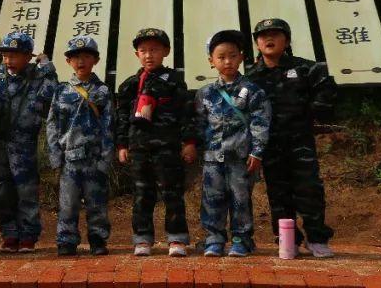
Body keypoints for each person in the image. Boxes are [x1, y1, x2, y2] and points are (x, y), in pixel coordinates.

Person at [245, 18, 336, 258]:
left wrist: (309, 112)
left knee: (309, 190)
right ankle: (288, 240)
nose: (269, 39)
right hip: (270, 145)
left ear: (286, 40)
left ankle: (317, 239)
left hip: (300, 142)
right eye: (263, 36)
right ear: (256, 42)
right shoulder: (251, 76)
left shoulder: (307, 69)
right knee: (278, 193)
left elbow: (326, 92)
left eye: (275, 34)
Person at [115, 28, 196, 257]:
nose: (148, 55)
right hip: (139, 148)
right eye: (143, 50)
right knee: (142, 195)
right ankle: (142, 239)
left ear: (166, 51)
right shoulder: (130, 84)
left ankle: (177, 239)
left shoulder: (174, 80)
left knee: (172, 194)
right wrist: (122, 145)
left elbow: (186, 114)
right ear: (136, 54)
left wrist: (188, 142)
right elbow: (121, 118)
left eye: (154, 50)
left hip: (167, 148)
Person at [195, 30, 271, 257]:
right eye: (221, 57)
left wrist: (257, 152)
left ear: (241, 57)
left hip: (241, 157)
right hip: (212, 158)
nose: (227, 61)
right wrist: (194, 149)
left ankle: (241, 239)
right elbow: (198, 125)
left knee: (240, 200)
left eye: (232, 56)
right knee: (212, 199)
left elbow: (261, 122)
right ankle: (214, 239)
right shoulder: (205, 93)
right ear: (211, 61)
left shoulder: (253, 91)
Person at [0, 32, 57, 252]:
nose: (9, 61)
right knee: (1, 191)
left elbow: (52, 94)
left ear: (28, 56)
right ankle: (9, 234)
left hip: (24, 143)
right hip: (0, 142)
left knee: (26, 191)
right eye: (5, 55)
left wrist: (47, 66)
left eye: (14, 56)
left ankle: (28, 235)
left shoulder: (36, 76)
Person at [45, 36, 113, 256]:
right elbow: (52, 124)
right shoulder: (61, 91)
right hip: (69, 158)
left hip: (94, 157)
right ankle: (66, 240)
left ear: (95, 60)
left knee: (97, 202)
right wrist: (55, 155)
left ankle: (98, 239)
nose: (81, 61)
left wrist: (106, 157)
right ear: (68, 61)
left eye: (86, 57)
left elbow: (109, 125)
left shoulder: (102, 92)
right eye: (75, 57)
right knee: (68, 203)